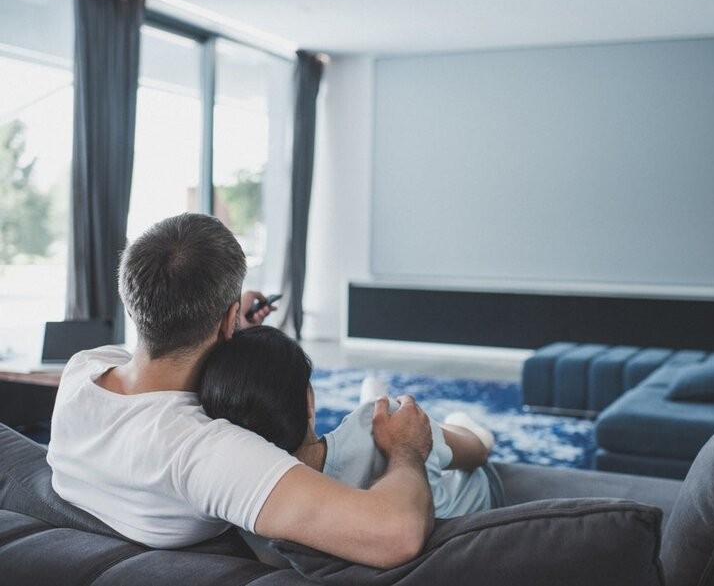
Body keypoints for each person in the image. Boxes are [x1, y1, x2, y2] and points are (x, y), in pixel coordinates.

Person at [46, 213, 436, 569]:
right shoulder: (205, 451)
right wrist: (406, 449)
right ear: (230, 318)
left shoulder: (84, 369)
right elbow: (396, 534)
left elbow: (160, 354)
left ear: (132, 308)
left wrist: (229, 324)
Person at [197, 325, 504, 518]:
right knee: (461, 431)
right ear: (309, 402)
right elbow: (476, 454)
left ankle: (376, 403)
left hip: (372, 439)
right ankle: (390, 406)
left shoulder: (249, 507)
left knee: (380, 417)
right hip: (477, 493)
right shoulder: (384, 437)